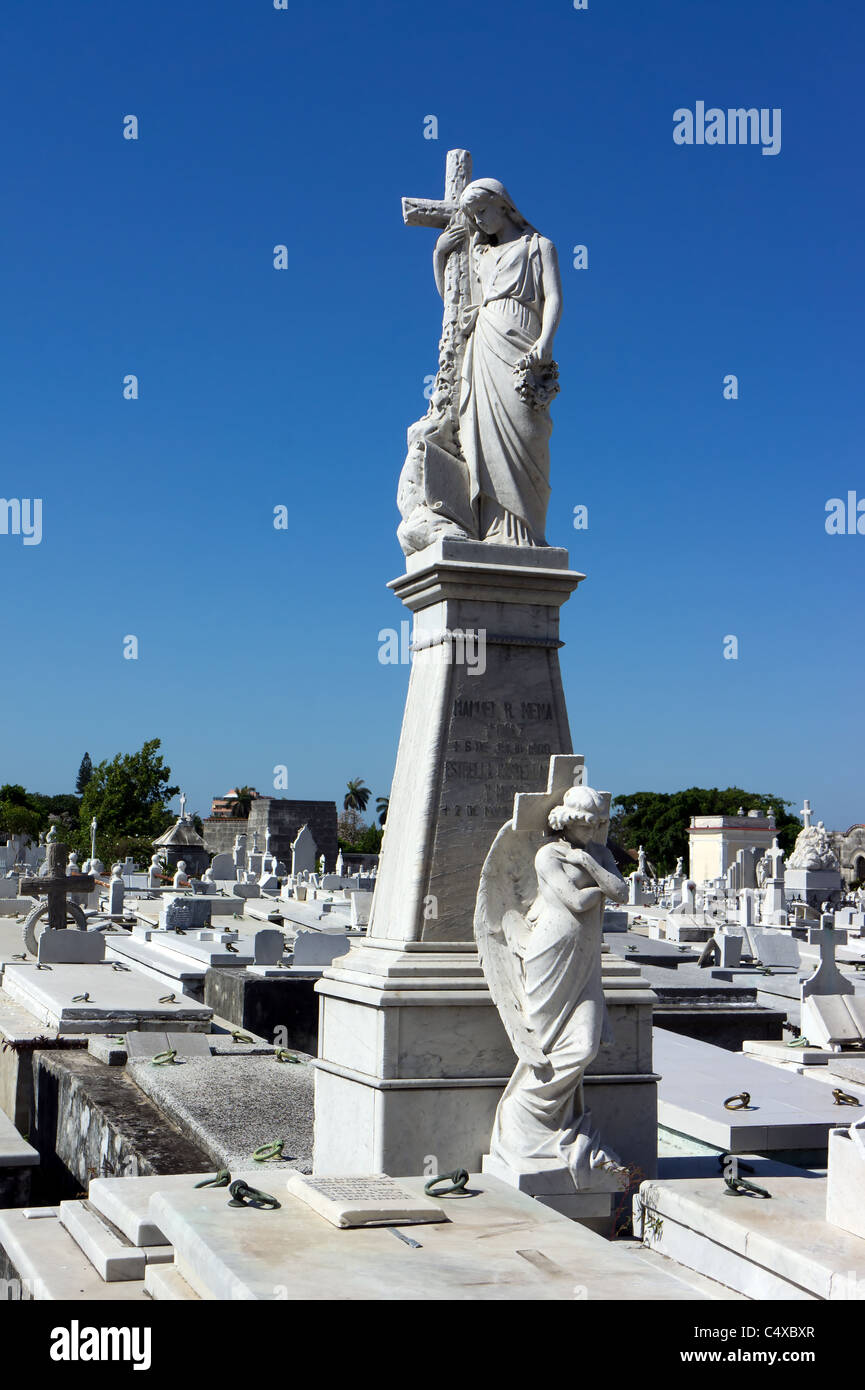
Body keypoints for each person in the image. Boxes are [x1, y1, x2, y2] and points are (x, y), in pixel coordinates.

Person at [433, 178, 562, 546]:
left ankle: (529, 532)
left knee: (528, 430)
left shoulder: (538, 247)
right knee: (483, 432)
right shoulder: (481, 255)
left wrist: (545, 341)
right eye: (473, 215)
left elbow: (553, 298)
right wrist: (439, 255)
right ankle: (494, 529)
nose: (479, 220)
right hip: (485, 342)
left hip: (522, 343)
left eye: (482, 211)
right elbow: (453, 302)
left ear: (503, 204)